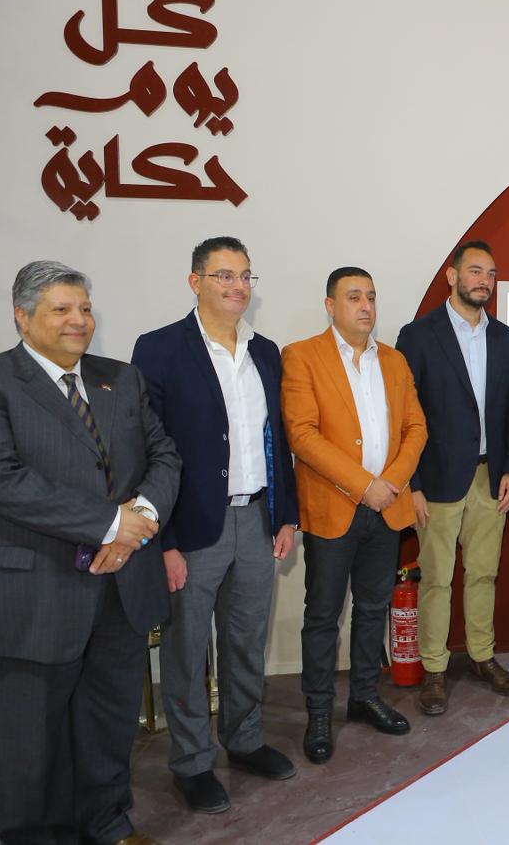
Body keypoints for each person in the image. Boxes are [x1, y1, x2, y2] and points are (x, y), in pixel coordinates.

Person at [0, 261, 180, 845]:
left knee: (109, 722)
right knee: (31, 741)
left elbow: (164, 456)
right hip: (34, 592)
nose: (78, 319)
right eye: (61, 309)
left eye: (84, 308)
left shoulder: (120, 378)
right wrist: (113, 525)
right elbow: (0, 482)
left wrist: (139, 522)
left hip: (120, 587)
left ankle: (108, 825)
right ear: (22, 317)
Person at [131, 237, 300, 813]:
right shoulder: (159, 349)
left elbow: (278, 439)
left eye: (245, 275)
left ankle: (245, 739)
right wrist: (164, 541)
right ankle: (192, 763)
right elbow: (144, 450)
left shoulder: (265, 351)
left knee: (247, 640)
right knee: (185, 650)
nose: (237, 286)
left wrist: (286, 514)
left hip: (257, 519)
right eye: (224, 275)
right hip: (189, 527)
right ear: (195, 281)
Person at [281, 267, 427, 761]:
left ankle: (364, 696)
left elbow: (415, 428)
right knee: (323, 615)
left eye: (371, 297)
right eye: (354, 297)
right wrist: (365, 486)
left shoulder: (395, 360)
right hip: (334, 508)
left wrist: (390, 484)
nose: (366, 306)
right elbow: (302, 435)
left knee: (372, 608)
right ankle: (319, 712)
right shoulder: (302, 356)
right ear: (330, 305)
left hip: (386, 508)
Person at [395, 240, 509, 715]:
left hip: (491, 478)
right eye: (475, 271)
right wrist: (411, 485)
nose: (484, 281)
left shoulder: (505, 339)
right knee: (436, 578)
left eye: (490, 274)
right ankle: (434, 668)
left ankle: (481, 657)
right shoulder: (418, 335)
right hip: (436, 480)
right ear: (451, 276)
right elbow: (403, 415)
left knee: (484, 574)